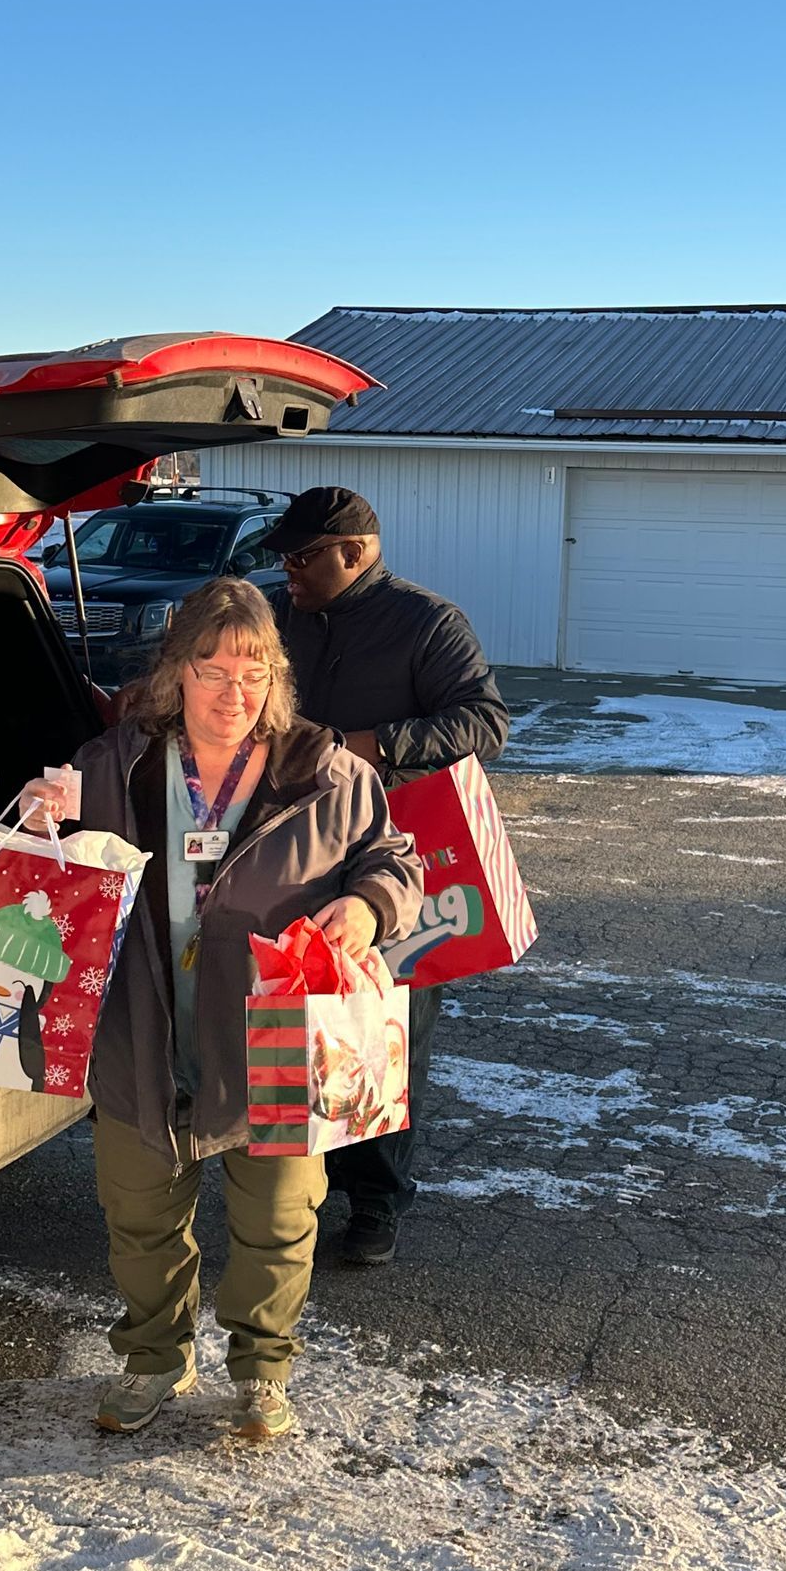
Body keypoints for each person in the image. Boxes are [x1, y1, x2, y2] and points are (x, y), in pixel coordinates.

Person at [19, 576, 420, 1443]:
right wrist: (39, 820)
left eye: (255, 673)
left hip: (276, 1032)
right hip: (143, 1032)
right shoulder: (111, 762)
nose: (235, 693)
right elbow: (46, 870)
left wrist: (369, 906)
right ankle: (156, 1358)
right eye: (214, 670)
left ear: (277, 679)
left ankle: (261, 1370)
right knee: (139, 1212)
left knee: (279, 1218)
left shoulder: (329, 772)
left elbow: (396, 860)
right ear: (178, 674)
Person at [267, 485, 509, 1268]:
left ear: (356, 551)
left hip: (390, 863)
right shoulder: (276, 615)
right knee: (290, 1019)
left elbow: (484, 722)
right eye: (283, 554)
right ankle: (290, 1185)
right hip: (289, 856)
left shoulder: (427, 622)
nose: (287, 569)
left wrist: (365, 744)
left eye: (301, 556)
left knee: (382, 1034)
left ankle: (375, 1200)